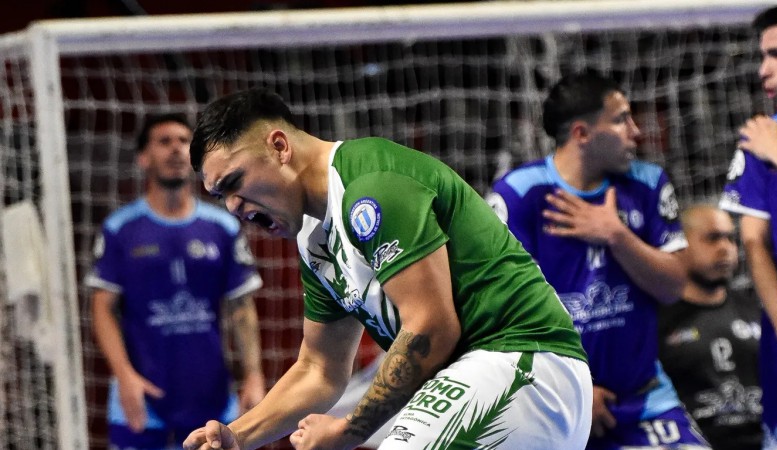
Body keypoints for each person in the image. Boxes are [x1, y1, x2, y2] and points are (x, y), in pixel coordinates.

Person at [181, 88, 592, 450]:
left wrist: (348, 431)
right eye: (220, 196)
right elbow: (319, 369)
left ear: (279, 146)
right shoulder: (315, 237)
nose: (233, 206)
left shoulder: (371, 184)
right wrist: (238, 436)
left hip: (524, 362)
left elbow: (431, 327)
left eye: (235, 182)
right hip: (486, 379)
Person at [488, 70, 710, 449]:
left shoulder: (647, 182)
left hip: (645, 400)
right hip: (554, 403)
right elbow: (502, 313)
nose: (636, 131)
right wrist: (574, 388)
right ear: (582, 133)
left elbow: (674, 286)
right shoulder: (519, 194)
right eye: (621, 120)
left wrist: (616, 235)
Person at [86, 113, 265, 450]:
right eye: (164, 141)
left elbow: (241, 307)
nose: (176, 149)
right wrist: (124, 375)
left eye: (184, 141)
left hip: (212, 399)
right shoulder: (120, 228)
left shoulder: (223, 227)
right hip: (142, 400)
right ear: (143, 158)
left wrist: (254, 376)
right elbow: (102, 308)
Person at [720, 1, 777, 447]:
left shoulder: (774, 146)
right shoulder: (760, 138)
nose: (762, 70)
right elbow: (753, 243)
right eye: (762, 56)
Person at [658, 204, 762, 450]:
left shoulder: (757, 313)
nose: (725, 248)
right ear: (679, 245)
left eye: (730, 238)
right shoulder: (655, 321)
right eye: (712, 238)